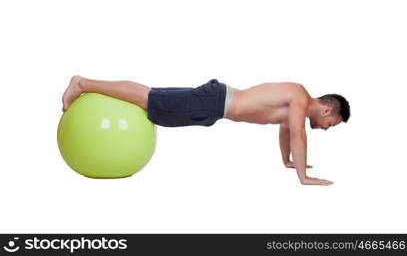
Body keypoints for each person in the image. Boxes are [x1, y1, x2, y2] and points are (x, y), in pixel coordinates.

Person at [62, 75, 350, 186]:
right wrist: (304, 176)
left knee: (151, 96)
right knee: (150, 99)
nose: (326, 129)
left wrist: (286, 161)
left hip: (213, 104)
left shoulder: (294, 104)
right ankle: (84, 84)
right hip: (213, 103)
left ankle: (86, 84)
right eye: (330, 124)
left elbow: (287, 130)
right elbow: (299, 132)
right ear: (327, 110)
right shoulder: (300, 96)